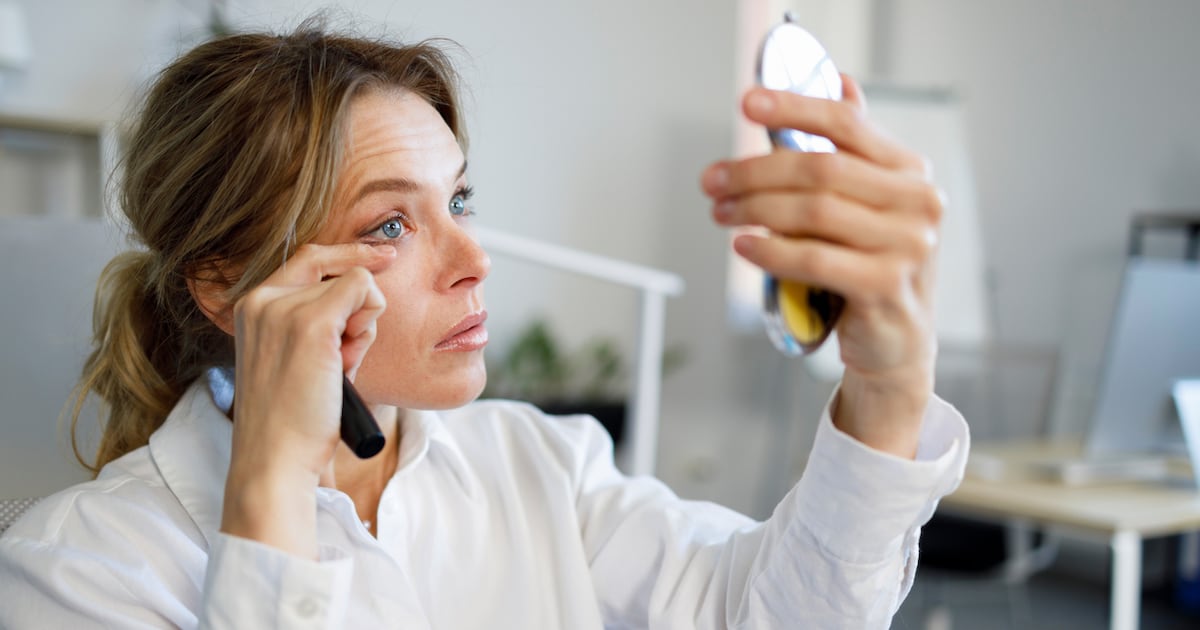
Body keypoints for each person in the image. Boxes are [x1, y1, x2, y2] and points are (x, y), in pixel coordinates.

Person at [0, 21, 967, 629]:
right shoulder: (78, 570)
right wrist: (269, 493)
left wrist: (887, 391)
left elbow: (776, 618)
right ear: (224, 287)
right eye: (390, 223)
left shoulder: (539, 467)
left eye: (459, 200)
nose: (474, 258)